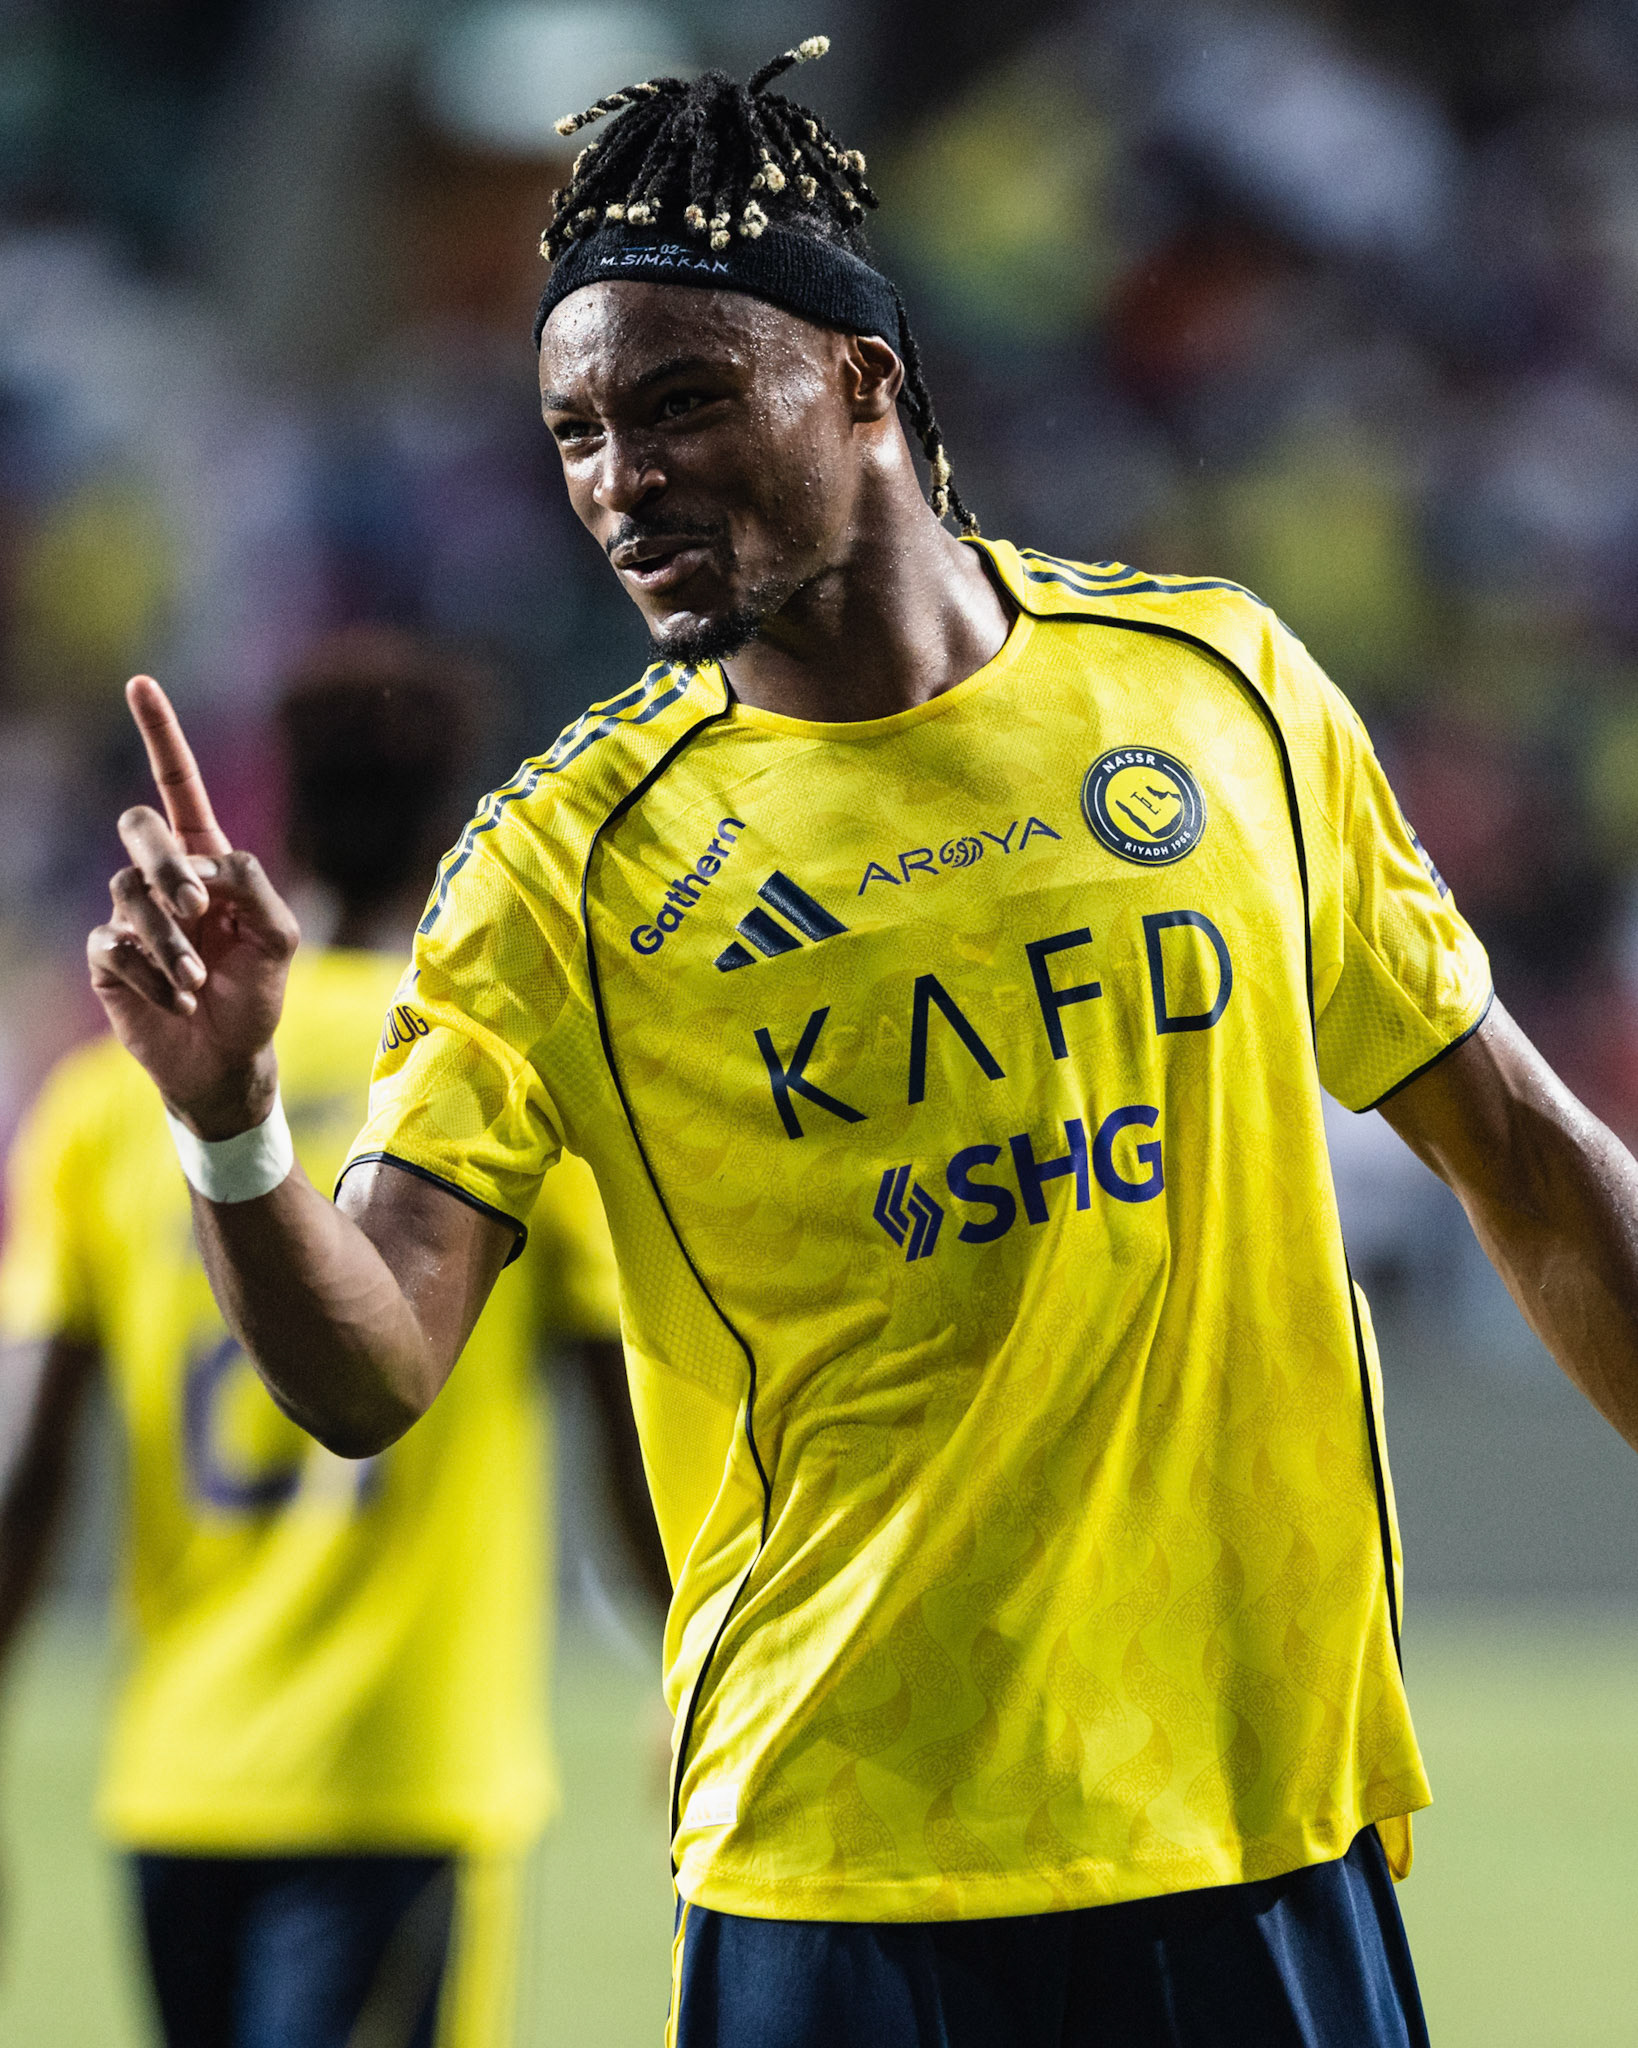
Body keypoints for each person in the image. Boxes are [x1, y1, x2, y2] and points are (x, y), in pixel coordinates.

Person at [81, 37, 1638, 2048]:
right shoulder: (562, 867)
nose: (620, 480)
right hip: (838, 1876)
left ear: (866, 381)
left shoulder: (1221, 696)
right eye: (574, 435)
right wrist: (225, 1126)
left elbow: (1525, 1156)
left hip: (1259, 1831)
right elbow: (373, 1367)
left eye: (679, 401)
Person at [1, 628, 665, 2048]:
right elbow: (631, 1434)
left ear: (279, 815)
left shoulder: (114, 1105)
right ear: (452, 827)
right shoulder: (480, 1079)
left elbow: (27, 1476)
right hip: (400, 1772)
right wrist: (701, 1662)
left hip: (175, 1777)